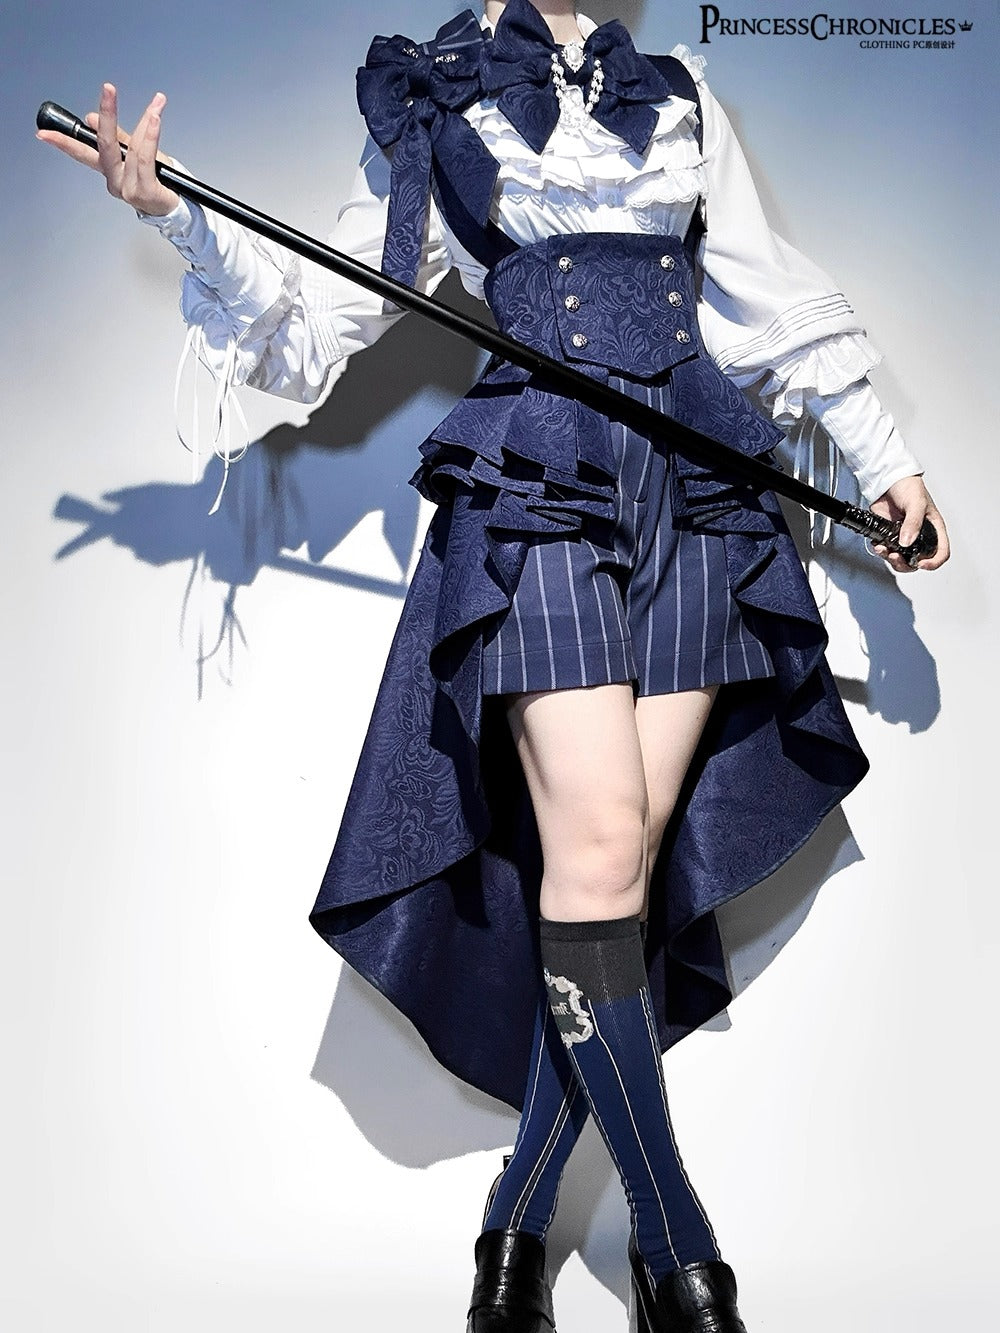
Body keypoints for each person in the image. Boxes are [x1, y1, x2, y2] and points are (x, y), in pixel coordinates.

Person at [38, 2, 950, 1330]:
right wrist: (177, 216)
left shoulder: (680, 91)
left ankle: (513, 1235)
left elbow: (760, 290)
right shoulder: (435, 93)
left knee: (619, 874)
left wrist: (885, 460)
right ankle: (681, 1252)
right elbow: (324, 316)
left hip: (701, 488)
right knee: (600, 845)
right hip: (539, 484)